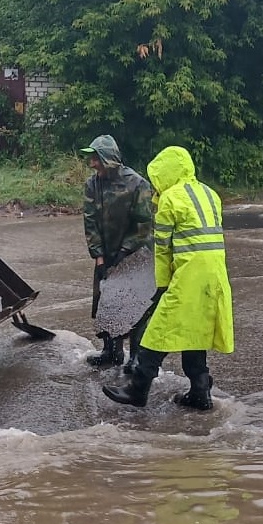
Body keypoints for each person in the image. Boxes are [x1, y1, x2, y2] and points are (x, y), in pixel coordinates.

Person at [102, 145, 233, 410]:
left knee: (156, 332)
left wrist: (162, 286)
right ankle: (200, 393)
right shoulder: (211, 194)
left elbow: (163, 249)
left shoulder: (170, 200)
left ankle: (137, 389)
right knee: (194, 332)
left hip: (188, 275)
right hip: (216, 276)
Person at [80, 134, 155, 369]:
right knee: (106, 300)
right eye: (90, 158)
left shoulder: (137, 184)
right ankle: (110, 352)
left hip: (136, 255)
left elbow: (145, 225)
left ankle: (135, 357)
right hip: (107, 252)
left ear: (109, 159)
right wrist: (99, 257)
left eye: (96, 159)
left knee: (135, 306)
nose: (92, 164)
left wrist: (125, 252)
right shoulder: (92, 184)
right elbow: (89, 222)